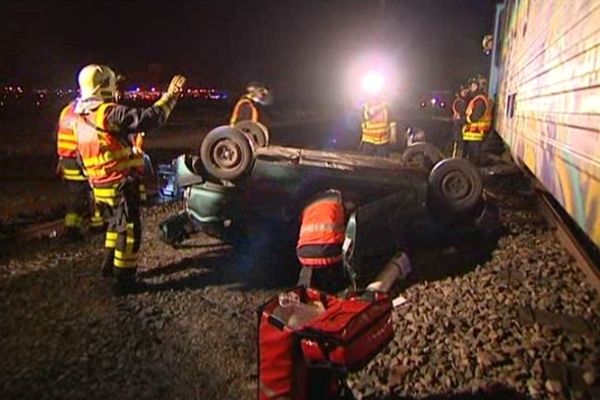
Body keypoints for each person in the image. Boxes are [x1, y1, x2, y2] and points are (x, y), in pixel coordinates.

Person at [72, 64, 186, 293]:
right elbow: (150, 118)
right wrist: (171, 96)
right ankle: (124, 281)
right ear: (104, 86)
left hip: (100, 186)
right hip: (119, 185)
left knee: (115, 227)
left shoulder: (80, 118)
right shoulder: (109, 113)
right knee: (129, 233)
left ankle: (108, 267)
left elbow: (80, 156)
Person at [55, 101, 104, 240]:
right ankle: (96, 224)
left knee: (74, 195)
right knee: (94, 191)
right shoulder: (83, 114)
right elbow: (86, 139)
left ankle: (72, 226)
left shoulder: (65, 112)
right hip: (80, 160)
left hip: (66, 160)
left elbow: (59, 135)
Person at [296, 189, 350, 294]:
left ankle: (305, 288)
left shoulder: (309, 204)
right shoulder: (339, 200)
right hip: (331, 253)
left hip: (303, 254)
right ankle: (338, 287)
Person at [461, 77, 493, 165]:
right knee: (470, 160)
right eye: (471, 86)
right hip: (473, 136)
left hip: (476, 136)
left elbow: (475, 117)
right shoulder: (475, 99)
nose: (471, 88)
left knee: (473, 162)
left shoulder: (480, 100)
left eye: (473, 86)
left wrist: (465, 119)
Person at [451, 84, 469, 157]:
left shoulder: (464, 101)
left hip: (462, 131)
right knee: (459, 147)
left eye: (466, 90)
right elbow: (459, 117)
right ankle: (456, 163)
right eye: (463, 91)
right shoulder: (459, 102)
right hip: (459, 131)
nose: (465, 92)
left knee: (461, 147)